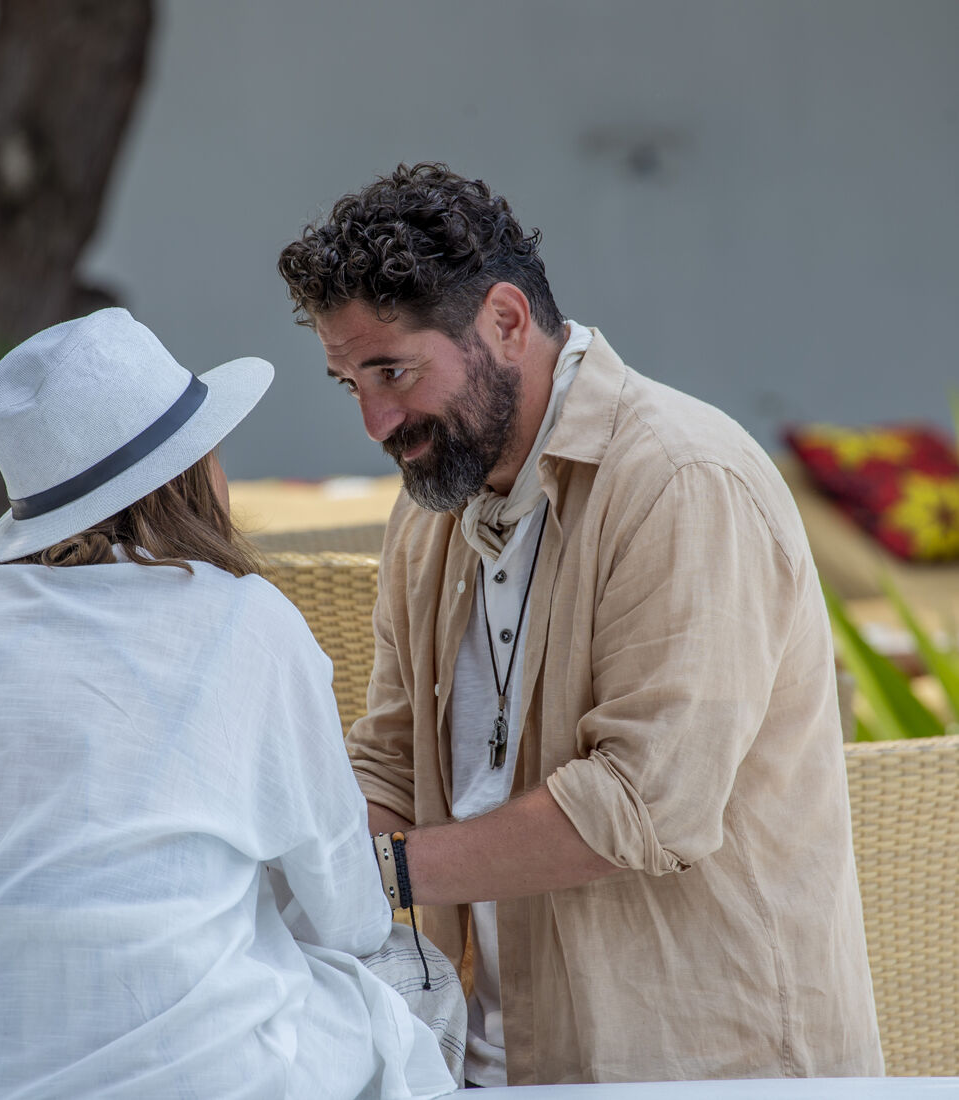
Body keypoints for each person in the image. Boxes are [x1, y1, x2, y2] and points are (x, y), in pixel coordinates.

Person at [277, 163, 885, 1087]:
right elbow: (394, 763)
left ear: (506, 320)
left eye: (393, 371)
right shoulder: (427, 513)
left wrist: (377, 875)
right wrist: (270, 869)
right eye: (347, 383)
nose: (375, 421)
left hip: (706, 1070)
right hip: (484, 1065)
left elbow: (643, 803)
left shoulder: (682, 480)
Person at [0, 308, 464, 1099]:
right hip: (196, 1072)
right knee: (417, 976)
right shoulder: (248, 622)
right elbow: (344, 913)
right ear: (190, 472)